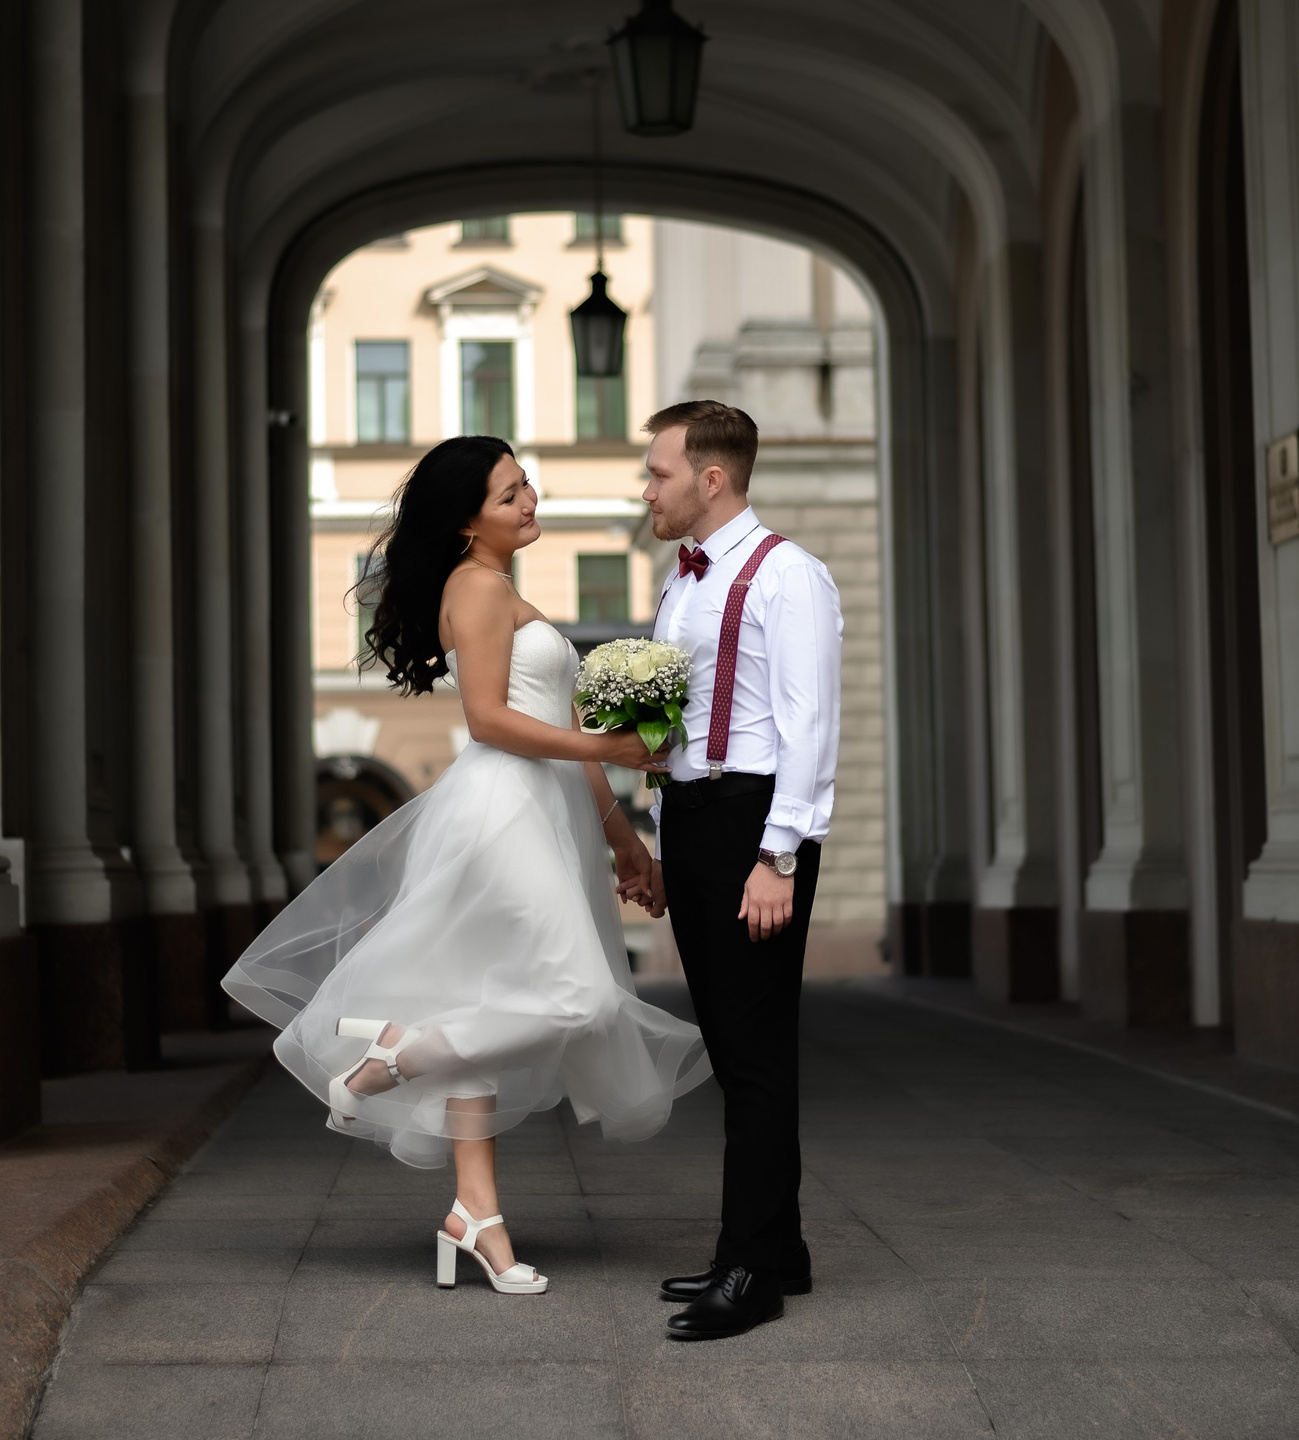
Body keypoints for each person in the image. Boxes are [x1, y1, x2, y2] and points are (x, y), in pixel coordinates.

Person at [223, 435, 707, 1295]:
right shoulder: (475, 588)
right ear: (465, 520)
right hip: (500, 812)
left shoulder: (502, 587)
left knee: (490, 1003)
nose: (531, 499)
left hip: (542, 809)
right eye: (510, 492)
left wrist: (626, 844)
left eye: (527, 485)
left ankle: (475, 1216)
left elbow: (554, 728)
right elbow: (489, 722)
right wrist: (612, 745)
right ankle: (399, 1055)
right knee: (580, 996)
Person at [639, 401, 844, 1341]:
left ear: (710, 477)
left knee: (755, 1058)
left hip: (755, 823)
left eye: (658, 472)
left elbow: (809, 727)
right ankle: (775, 1249)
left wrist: (778, 854)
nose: (648, 489)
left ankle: (752, 1270)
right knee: (734, 1049)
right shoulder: (681, 584)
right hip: (697, 820)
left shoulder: (788, 576)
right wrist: (661, 830)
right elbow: (676, 729)